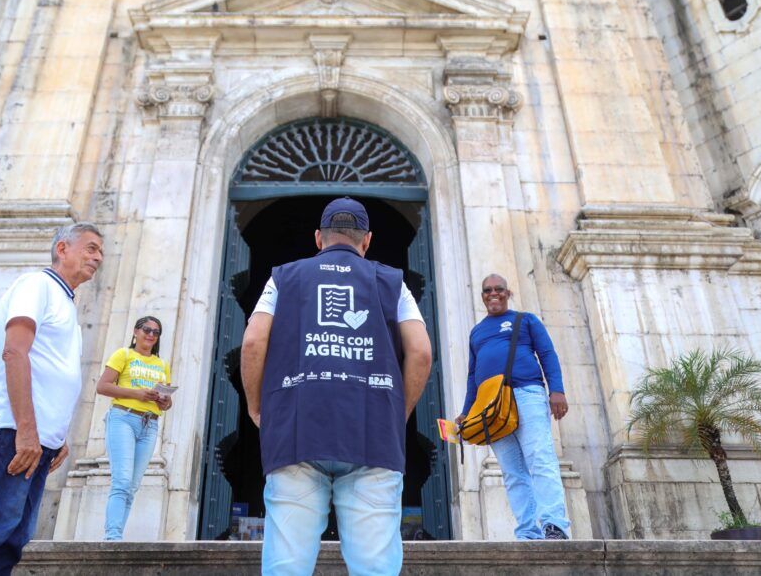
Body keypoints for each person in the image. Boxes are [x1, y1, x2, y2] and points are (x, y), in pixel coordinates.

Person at [241, 197, 433, 576]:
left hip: (296, 431)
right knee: (375, 566)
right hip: (372, 434)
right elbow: (422, 352)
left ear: (318, 238)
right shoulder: (392, 282)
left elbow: (252, 342)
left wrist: (255, 406)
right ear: (367, 241)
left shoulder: (285, 277)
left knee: (287, 565)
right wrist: (398, 412)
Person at [0, 223, 104, 575]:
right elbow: (15, 351)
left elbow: (53, 374)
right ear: (62, 248)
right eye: (90, 248)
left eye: (100, 252)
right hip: (15, 433)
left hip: (40, 439)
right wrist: (27, 430)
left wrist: (58, 437)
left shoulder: (65, 303)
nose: (98, 257)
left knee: (11, 540)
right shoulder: (36, 285)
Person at [457, 273, 571, 540]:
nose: (493, 293)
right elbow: (473, 376)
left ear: (508, 293)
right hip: (492, 407)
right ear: (482, 295)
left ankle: (554, 524)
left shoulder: (526, 320)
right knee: (512, 471)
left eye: (499, 289)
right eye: (487, 290)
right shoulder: (477, 332)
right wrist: (466, 411)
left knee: (540, 458)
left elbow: (547, 354)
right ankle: (529, 531)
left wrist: (557, 390)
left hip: (527, 394)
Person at [95, 315, 173, 540]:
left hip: (150, 424)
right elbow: (102, 386)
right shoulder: (124, 355)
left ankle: (116, 533)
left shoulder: (162, 364)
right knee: (121, 480)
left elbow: (167, 403)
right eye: (146, 329)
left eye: (155, 332)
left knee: (132, 485)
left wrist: (164, 401)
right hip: (123, 418)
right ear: (135, 332)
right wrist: (137, 394)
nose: (150, 335)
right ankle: (112, 537)